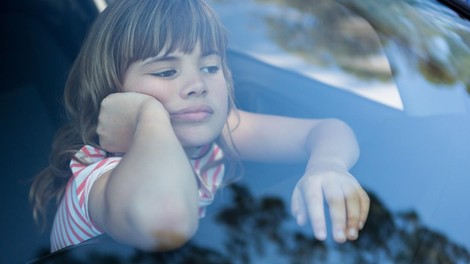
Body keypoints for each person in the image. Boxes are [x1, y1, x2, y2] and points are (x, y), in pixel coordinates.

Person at [30, 0, 370, 253]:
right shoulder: (97, 179)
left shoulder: (215, 135)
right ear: (115, 96)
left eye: (209, 67)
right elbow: (166, 220)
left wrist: (327, 166)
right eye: (166, 72)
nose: (197, 85)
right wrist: (148, 116)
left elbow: (329, 130)